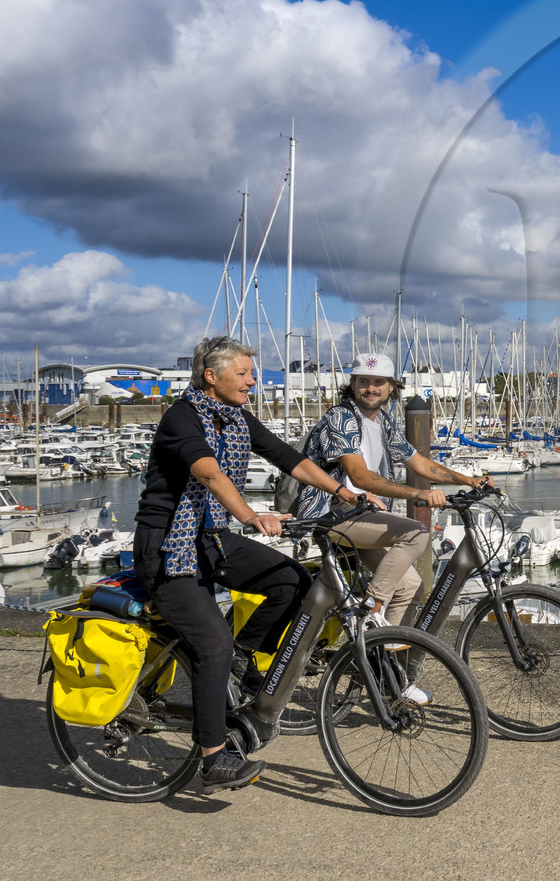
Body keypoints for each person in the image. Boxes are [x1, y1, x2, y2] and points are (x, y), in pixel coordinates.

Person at [133, 335, 362, 794]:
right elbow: (208, 471)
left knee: (291, 579)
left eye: (251, 373)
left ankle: (241, 656)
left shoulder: (236, 418)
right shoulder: (182, 417)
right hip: (167, 548)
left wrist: (345, 493)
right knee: (211, 645)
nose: (252, 380)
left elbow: (288, 459)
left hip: (212, 540)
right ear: (210, 376)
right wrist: (251, 516)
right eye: (244, 373)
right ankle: (213, 759)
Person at [295, 352, 489, 641]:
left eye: (378, 382)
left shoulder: (383, 422)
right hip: (332, 515)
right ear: (353, 384)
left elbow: (418, 462)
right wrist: (419, 493)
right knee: (415, 533)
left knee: (410, 586)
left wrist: (469, 480)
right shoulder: (341, 417)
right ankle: (371, 611)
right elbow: (358, 476)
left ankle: (382, 665)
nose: (371, 388)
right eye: (364, 381)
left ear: (391, 387)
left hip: (360, 517)